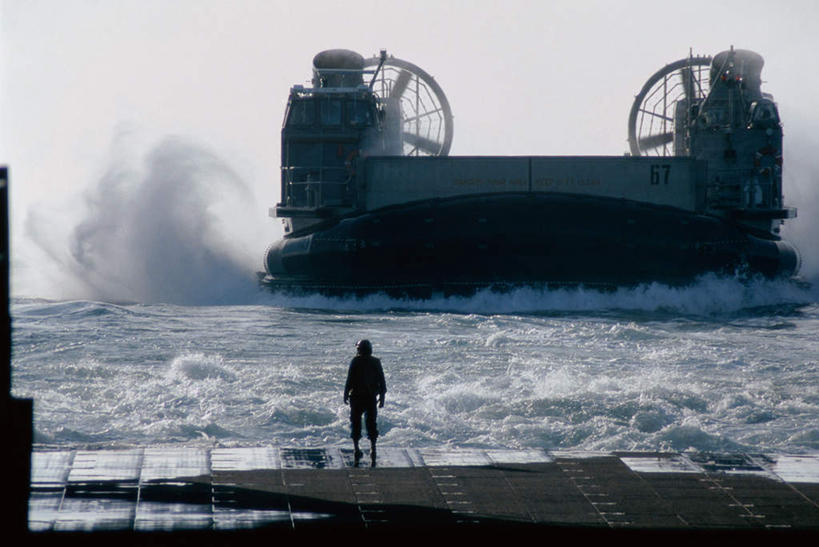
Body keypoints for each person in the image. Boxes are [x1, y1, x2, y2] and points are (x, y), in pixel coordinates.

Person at [343, 339, 386, 466]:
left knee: (355, 422)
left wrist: (345, 393)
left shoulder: (355, 361)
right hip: (371, 397)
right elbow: (382, 381)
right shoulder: (376, 362)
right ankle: (373, 447)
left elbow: (349, 379)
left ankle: (356, 448)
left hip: (356, 397)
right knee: (371, 422)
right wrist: (382, 397)